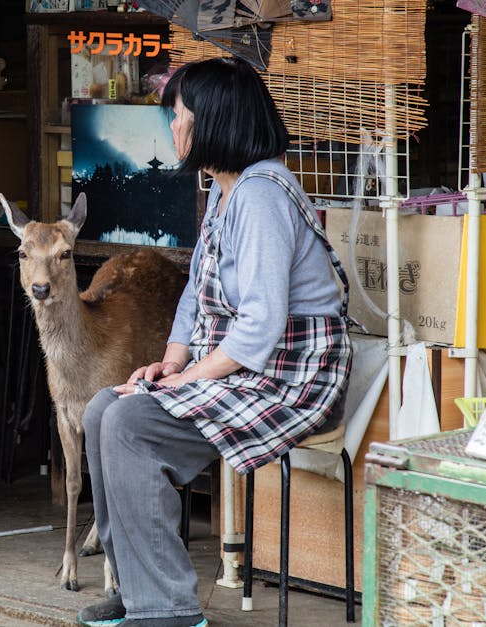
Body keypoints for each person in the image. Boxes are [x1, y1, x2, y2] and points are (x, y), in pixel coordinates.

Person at [74, 57, 353, 627]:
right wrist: (169, 361)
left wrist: (189, 378)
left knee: (129, 426)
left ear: (213, 121)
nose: (172, 128)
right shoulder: (227, 193)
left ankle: (167, 609)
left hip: (292, 375)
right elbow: (194, 298)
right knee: (105, 407)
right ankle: (136, 588)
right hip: (248, 367)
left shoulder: (261, 196)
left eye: (178, 115)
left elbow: (261, 325)